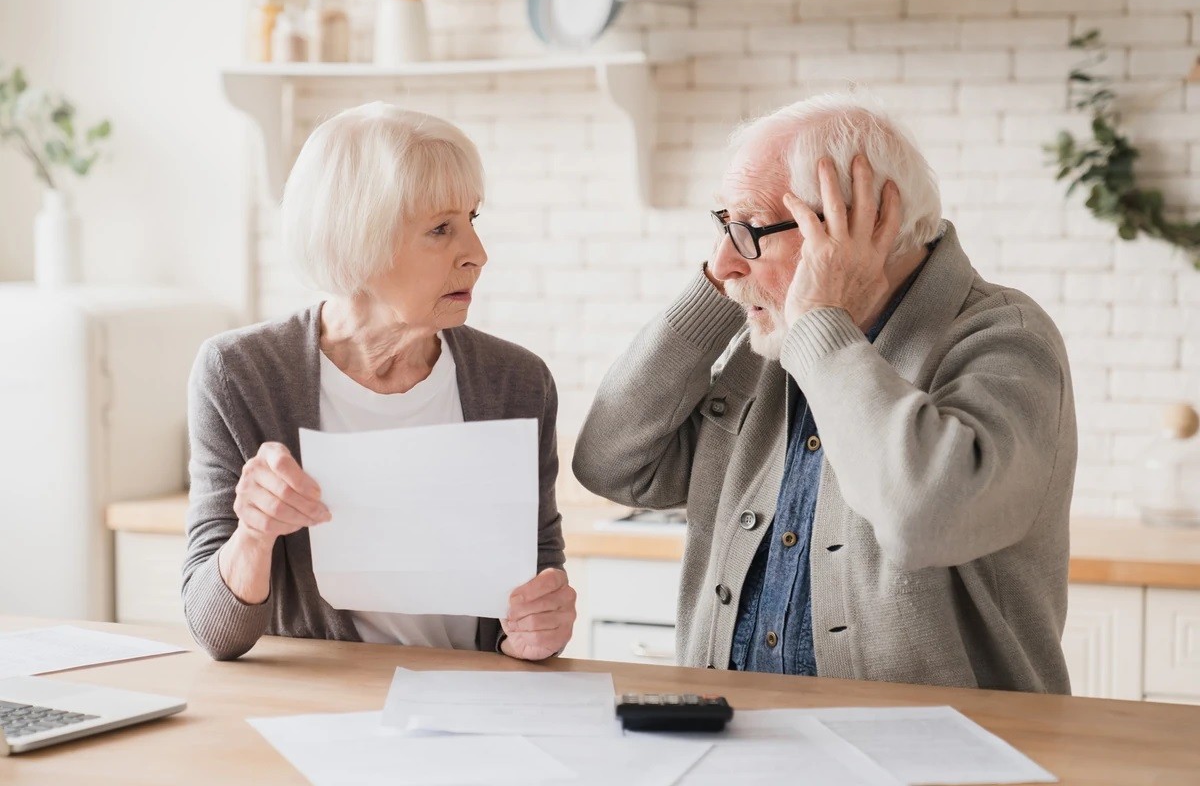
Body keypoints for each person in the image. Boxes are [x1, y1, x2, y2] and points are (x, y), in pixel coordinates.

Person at [573, 93, 1077, 693]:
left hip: (931, 756)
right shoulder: (771, 346)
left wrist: (821, 327)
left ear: (860, 227)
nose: (723, 260)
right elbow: (610, 464)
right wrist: (719, 294)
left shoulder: (1004, 336)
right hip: (736, 740)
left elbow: (926, 519)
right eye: (723, 225)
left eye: (750, 229)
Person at [182, 103, 575, 662]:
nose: (478, 255)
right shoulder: (241, 374)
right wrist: (254, 533)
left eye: (472, 220)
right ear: (355, 239)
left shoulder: (517, 382)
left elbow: (537, 571)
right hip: (321, 713)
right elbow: (214, 634)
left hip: (480, 706)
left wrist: (541, 627)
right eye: (441, 229)